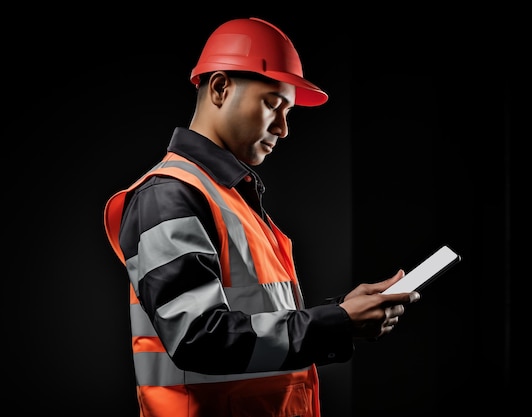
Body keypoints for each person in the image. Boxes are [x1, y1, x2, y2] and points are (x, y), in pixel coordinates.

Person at [104, 17, 420, 417]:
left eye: (288, 110)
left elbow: (254, 319)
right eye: (273, 103)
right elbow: (198, 338)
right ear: (220, 88)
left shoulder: (226, 195)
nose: (285, 128)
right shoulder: (170, 194)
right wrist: (335, 324)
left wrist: (341, 312)